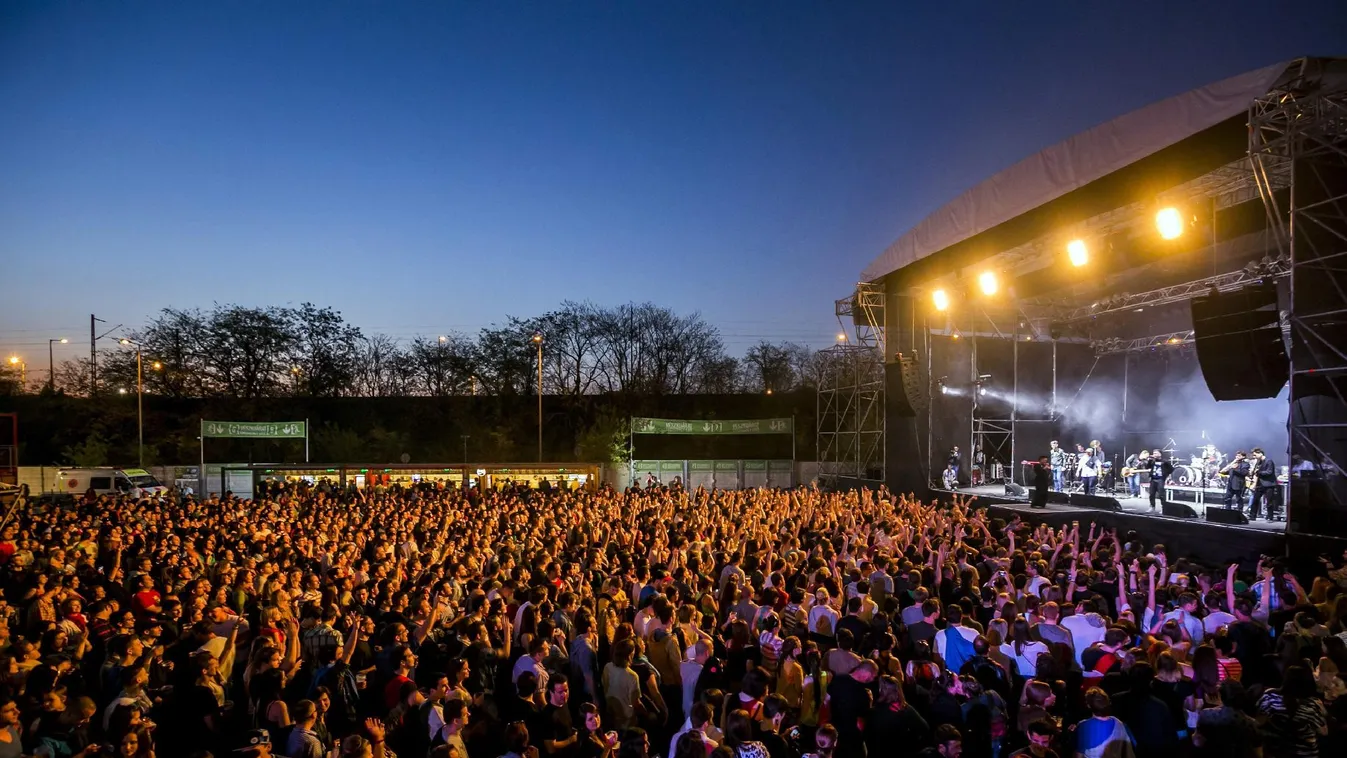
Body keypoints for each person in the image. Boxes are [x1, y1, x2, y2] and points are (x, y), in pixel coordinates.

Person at [1073, 689, 1134, 758]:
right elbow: (1131, 746)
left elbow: (1078, 755)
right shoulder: (1119, 723)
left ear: (1088, 705)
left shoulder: (1084, 726)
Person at [1248, 448, 1280, 521]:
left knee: (1269, 501)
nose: (1254, 457)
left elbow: (1269, 472)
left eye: (1255, 455)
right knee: (1255, 500)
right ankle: (1252, 516)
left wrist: (1259, 472)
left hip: (1269, 484)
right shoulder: (1258, 462)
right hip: (1260, 484)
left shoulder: (1269, 461)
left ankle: (1270, 517)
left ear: (1260, 453)